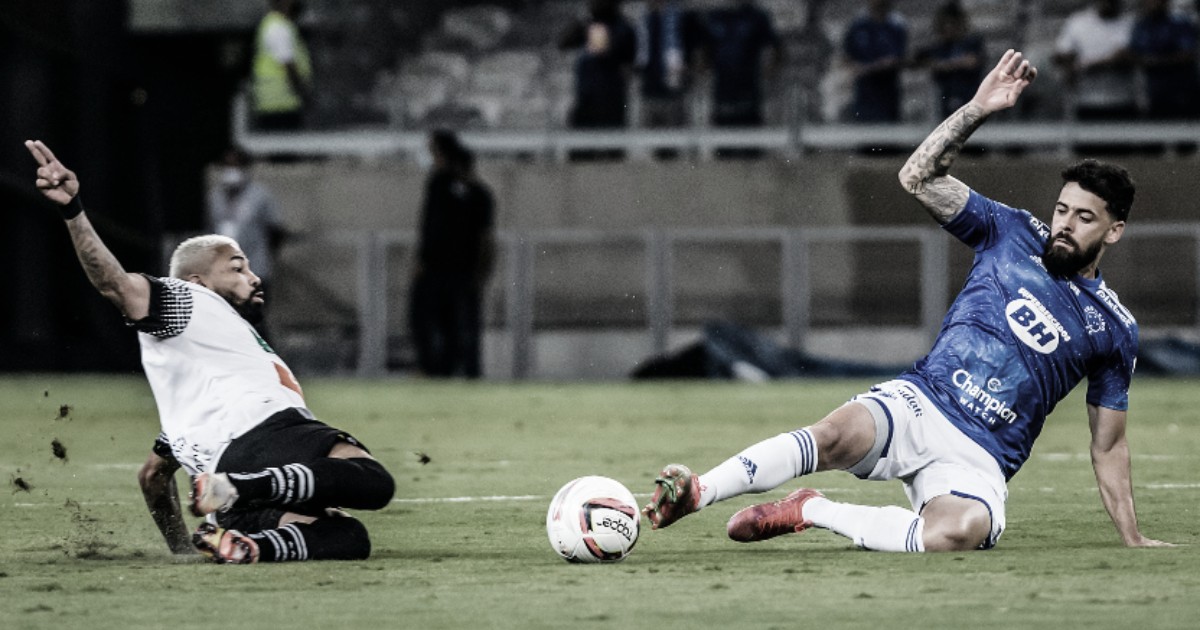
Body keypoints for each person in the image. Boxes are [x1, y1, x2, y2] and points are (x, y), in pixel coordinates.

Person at [641, 50, 1171, 552]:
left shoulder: (1114, 328)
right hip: (921, 403)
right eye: (1062, 210)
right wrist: (977, 110)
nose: (1064, 225)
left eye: (1084, 218)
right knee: (833, 433)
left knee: (954, 535)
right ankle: (699, 491)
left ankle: (813, 511)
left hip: (982, 457)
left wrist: (1132, 536)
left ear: (1114, 231)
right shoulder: (1011, 232)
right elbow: (917, 177)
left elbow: (1108, 445)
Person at [25, 139, 395, 563]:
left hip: (225, 474)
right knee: (372, 480)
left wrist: (179, 548)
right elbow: (117, 285)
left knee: (348, 536)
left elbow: (152, 477)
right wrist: (73, 211)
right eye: (237, 268)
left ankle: (248, 544)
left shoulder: (204, 369)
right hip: (268, 434)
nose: (253, 278)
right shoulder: (190, 299)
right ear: (198, 282)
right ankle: (243, 486)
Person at [409, 131, 496, 379]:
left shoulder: (440, 184)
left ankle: (435, 370)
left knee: (432, 322)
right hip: (465, 271)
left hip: (439, 269)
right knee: (463, 326)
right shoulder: (480, 193)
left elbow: (431, 227)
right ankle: (467, 372)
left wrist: (422, 260)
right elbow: (486, 238)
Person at [206, 147, 286, 341]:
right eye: (227, 165)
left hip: (254, 268)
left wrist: (267, 256)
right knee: (226, 319)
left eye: (236, 165)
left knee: (252, 318)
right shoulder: (215, 197)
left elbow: (275, 230)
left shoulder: (259, 196)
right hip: (223, 271)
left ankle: (269, 363)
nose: (231, 170)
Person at [702, 0, 783, 128]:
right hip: (721, 93)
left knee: (750, 137)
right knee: (724, 137)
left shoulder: (756, 16)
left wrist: (770, 73)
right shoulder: (714, 17)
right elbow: (704, 50)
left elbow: (775, 48)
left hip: (749, 92)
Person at [559, 0, 638, 130]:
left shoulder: (624, 28)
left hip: (612, 97)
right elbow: (564, 43)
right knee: (581, 143)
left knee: (611, 141)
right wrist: (581, 24)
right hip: (586, 96)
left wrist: (607, 49)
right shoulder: (586, 25)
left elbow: (629, 62)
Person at [1053, 0, 1137, 122]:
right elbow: (1061, 54)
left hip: (1122, 100)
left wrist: (1086, 65)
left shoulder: (1130, 24)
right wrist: (1070, 65)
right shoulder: (1078, 23)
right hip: (1087, 101)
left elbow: (1128, 57)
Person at [636, 0, 704, 130]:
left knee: (676, 136)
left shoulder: (684, 16)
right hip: (649, 91)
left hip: (675, 91)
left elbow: (697, 51)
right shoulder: (643, 19)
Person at [1130, 0, 1200, 120]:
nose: (1152, 4)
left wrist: (1157, 61)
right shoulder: (1141, 26)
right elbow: (1134, 54)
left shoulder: (1180, 23)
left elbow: (1187, 54)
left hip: (1182, 91)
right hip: (1153, 93)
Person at [915, 2, 985, 119]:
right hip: (945, 95)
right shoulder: (940, 46)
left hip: (967, 93)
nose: (948, 29)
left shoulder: (971, 42)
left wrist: (947, 65)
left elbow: (972, 62)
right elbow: (921, 60)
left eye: (952, 24)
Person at [843, 0, 908, 123]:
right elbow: (848, 56)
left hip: (887, 89)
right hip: (864, 90)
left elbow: (896, 59)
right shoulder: (858, 25)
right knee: (864, 130)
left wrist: (869, 68)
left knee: (888, 131)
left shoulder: (897, 25)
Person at [252, 0, 312, 131]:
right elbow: (288, 64)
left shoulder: (275, 24)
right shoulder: (278, 27)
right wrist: (302, 92)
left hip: (276, 103)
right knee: (284, 147)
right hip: (280, 104)